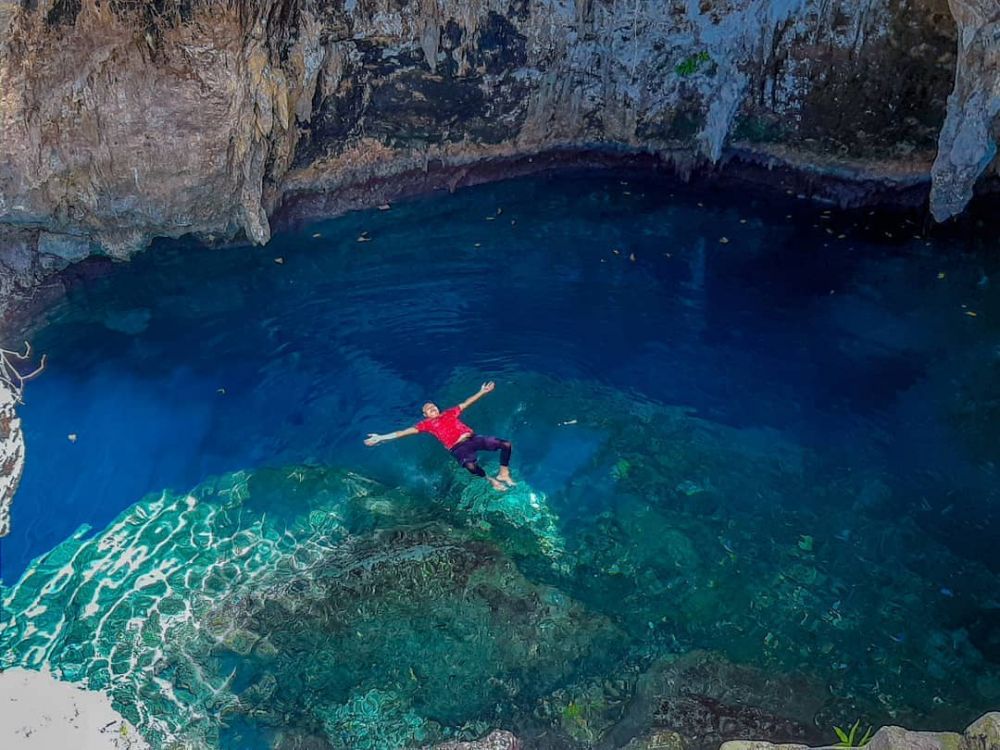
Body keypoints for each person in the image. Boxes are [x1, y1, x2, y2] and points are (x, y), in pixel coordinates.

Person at [364, 381, 515, 491]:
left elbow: (467, 402)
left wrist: (482, 392)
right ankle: (490, 480)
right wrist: (381, 437)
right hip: (457, 448)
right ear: (425, 415)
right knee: (470, 466)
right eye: (428, 409)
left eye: (433, 406)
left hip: (473, 438)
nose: (432, 408)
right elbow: (402, 433)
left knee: (506, 444)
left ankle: (504, 473)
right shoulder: (425, 425)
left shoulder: (450, 413)